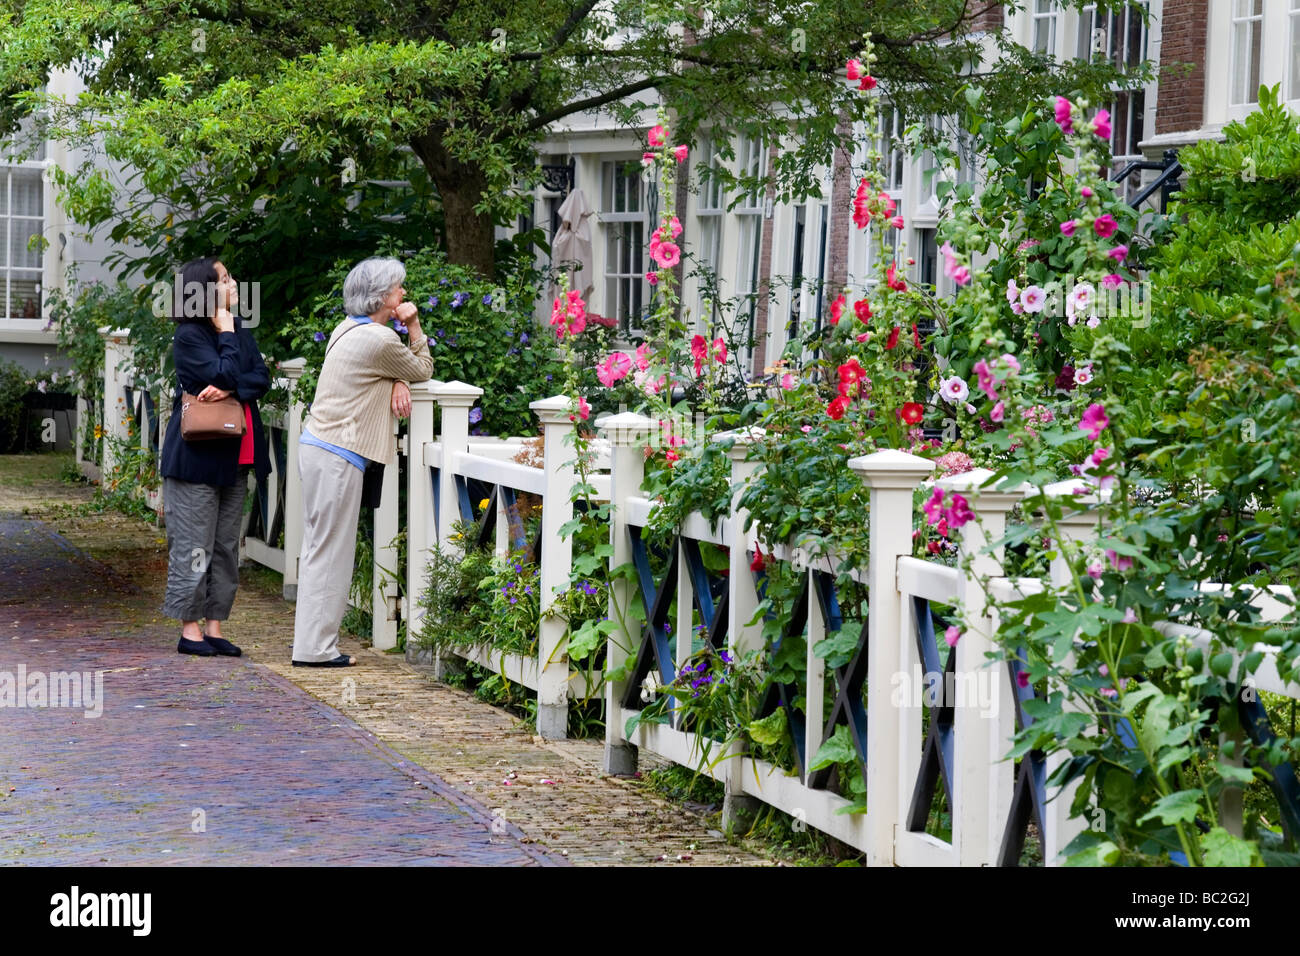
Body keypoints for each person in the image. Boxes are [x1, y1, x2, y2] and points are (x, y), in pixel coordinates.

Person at [291, 257, 433, 667]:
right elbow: (422, 367)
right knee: (330, 552)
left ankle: (312, 645)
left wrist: (396, 380)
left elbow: (385, 368)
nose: (404, 294)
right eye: (398, 288)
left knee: (321, 547)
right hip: (338, 453)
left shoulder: (349, 329)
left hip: (320, 447)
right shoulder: (381, 339)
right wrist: (414, 326)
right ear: (383, 297)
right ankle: (316, 650)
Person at [159, 257, 272, 656]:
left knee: (225, 546)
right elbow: (220, 372)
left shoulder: (238, 328)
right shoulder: (189, 336)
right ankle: (189, 630)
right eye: (225, 279)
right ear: (204, 290)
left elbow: (261, 378)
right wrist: (226, 340)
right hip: (196, 458)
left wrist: (229, 387)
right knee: (194, 546)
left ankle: (215, 625)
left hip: (236, 456)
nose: (235, 282)